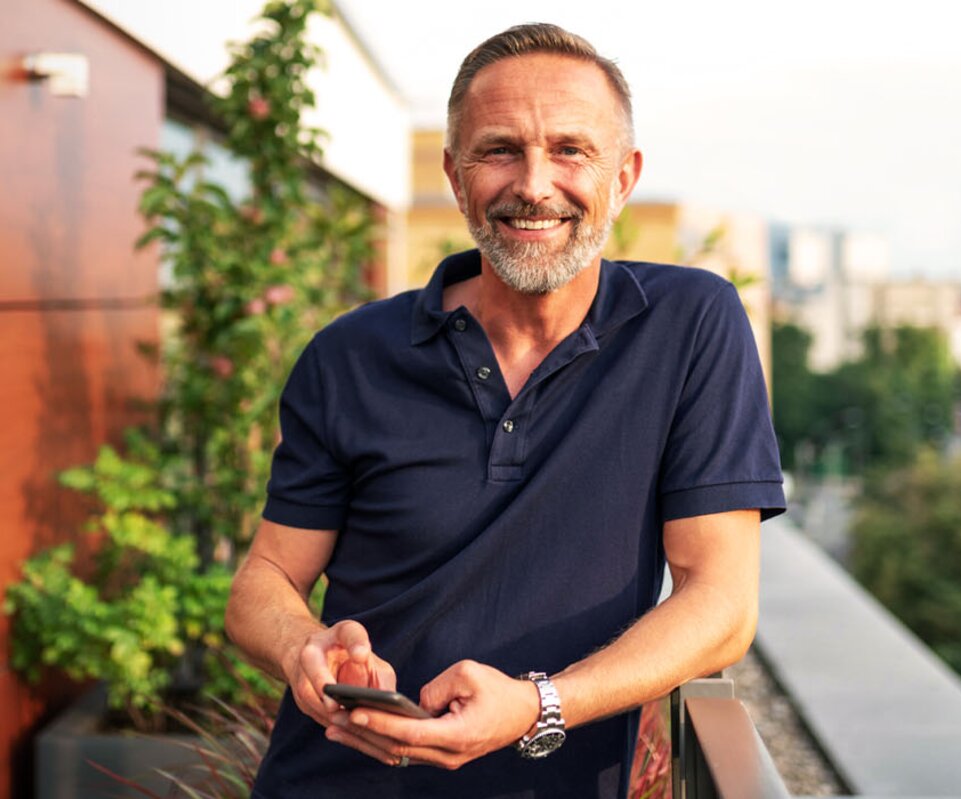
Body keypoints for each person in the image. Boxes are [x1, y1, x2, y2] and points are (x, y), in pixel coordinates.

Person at [226, 22, 785, 799]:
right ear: (456, 178)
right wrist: (306, 649)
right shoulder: (348, 355)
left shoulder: (691, 326)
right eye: (499, 150)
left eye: (570, 150)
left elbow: (721, 603)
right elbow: (263, 581)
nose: (533, 182)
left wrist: (536, 705)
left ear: (623, 178)